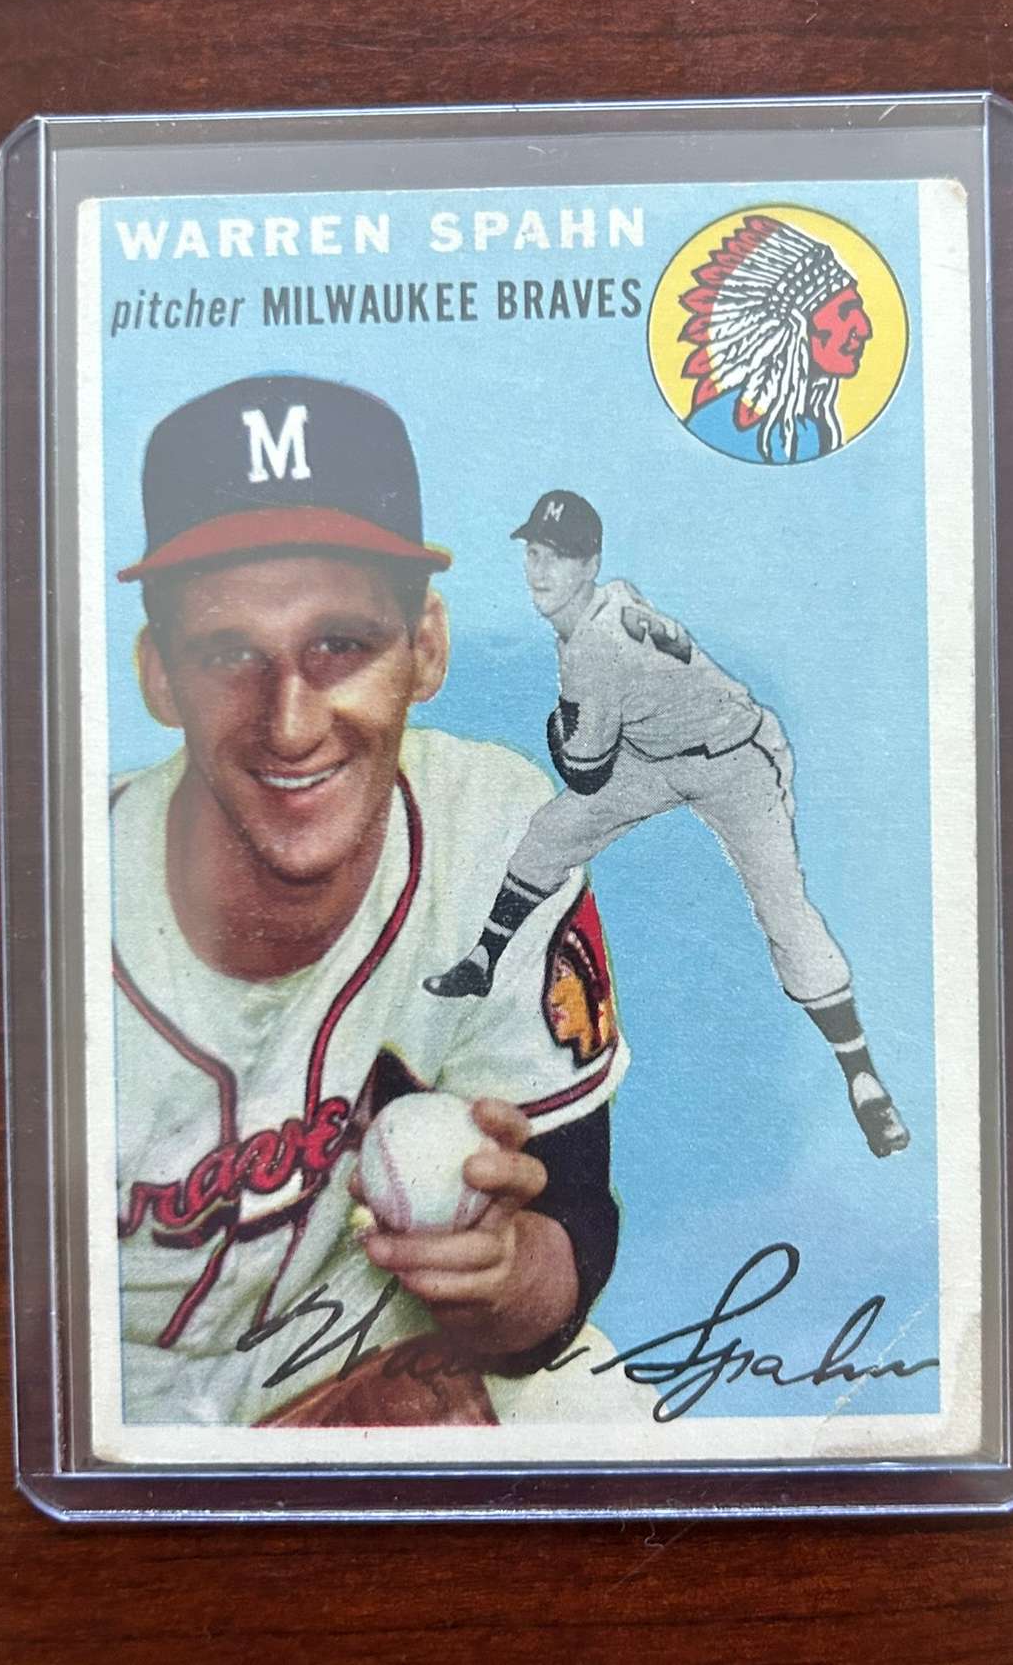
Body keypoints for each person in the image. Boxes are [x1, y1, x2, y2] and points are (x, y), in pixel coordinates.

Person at [110, 376, 637, 1429]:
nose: (291, 721)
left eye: (340, 645)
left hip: (370, 1330)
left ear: (424, 647)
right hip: (121, 1415)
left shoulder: (494, 835)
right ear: (158, 674)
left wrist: (501, 1275)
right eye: (230, 653)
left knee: (596, 1414)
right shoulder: (55, 915)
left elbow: (571, 1227)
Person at [423, 490, 910, 1160]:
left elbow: (585, 769)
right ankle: (483, 960)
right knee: (552, 832)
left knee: (783, 909)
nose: (540, 569)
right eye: (534, 552)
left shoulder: (593, 644)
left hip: (737, 756)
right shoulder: (607, 605)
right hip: (653, 756)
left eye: (559, 556)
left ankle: (863, 1077)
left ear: (590, 563)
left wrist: (561, 730)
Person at [678, 214, 872, 464]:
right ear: (792, 328)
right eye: (844, 313)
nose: (864, 329)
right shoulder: (718, 426)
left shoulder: (810, 428)